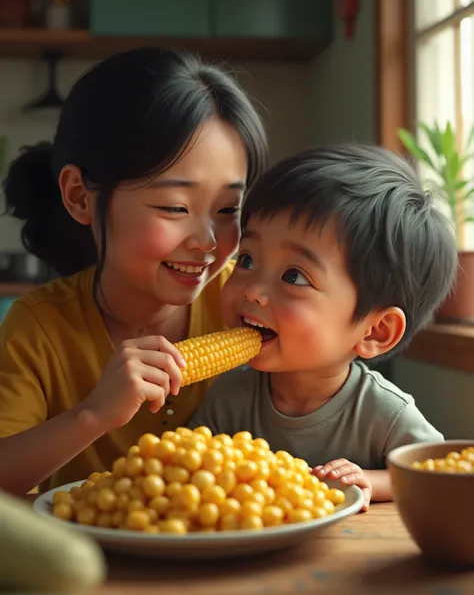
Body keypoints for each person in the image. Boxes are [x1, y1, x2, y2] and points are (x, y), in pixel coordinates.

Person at [0, 47, 267, 495]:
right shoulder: (38, 329)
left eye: (228, 209)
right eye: (174, 207)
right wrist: (94, 414)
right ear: (80, 197)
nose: (207, 240)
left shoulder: (249, 303)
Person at [189, 144, 457, 511]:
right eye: (247, 259)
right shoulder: (230, 397)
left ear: (375, 331)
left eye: (294, 276)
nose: (252, 290)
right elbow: (187, 470)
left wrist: (371, 480)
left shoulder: (384, 413)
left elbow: (438, 475)